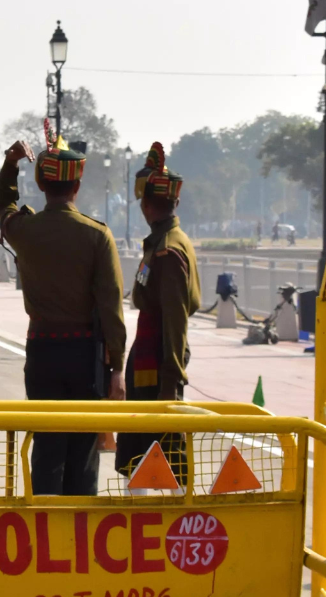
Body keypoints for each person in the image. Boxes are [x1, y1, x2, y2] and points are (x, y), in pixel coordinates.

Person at [0, 122, 126, 496]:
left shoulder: (25, 230)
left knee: (48, 445)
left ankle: (44, 528)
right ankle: (80, 534)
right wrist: (117, 365)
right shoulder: (96, 235)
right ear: (77, 186)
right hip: (86, 356)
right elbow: (111, 305)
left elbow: (3, 205)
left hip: (42, 351)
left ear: (42, 185)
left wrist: (10, 163)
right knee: (83, 450)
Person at [115, 143, 200, 486]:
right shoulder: (168, 240)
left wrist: (171, 382)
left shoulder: (167, 251)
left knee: (157, 456)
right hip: (151, 357)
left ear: (146, 205)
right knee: (144, 452)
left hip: (158, 365)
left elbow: (176, 319)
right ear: (174, 203)